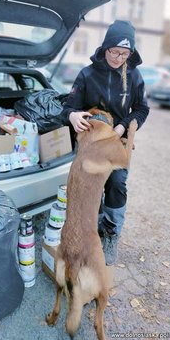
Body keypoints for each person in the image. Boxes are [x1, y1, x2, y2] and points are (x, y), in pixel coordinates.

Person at [61, 20, 150, 266]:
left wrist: (124, 125)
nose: (118, 57)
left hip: (117, 141)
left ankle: (111, 234)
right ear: (105, 47)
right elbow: (68, 106)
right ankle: (94, 229)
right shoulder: (87, 74)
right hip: (90, 142)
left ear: (130, 53)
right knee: (90, 187)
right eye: (114, 51)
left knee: (117, 183)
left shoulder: (133, 75)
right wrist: (72, 115)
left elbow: (142, 109)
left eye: (124, 53)